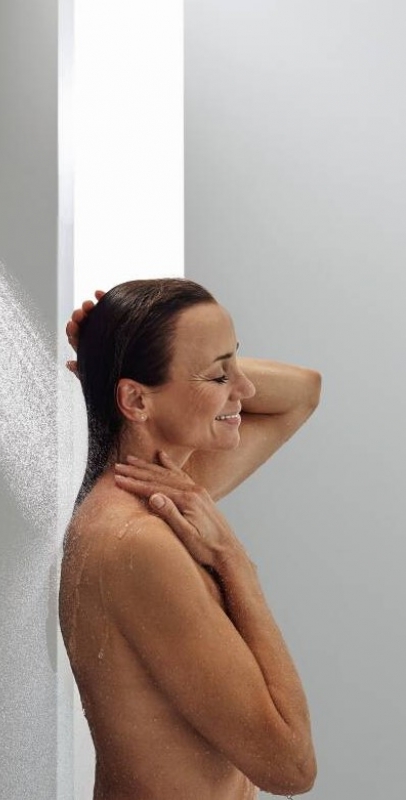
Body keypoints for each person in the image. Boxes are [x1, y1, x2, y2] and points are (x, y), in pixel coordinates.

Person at [59, 279, 320, 799]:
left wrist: (108, 355)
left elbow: (302, 392)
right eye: (220, 375)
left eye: (236, 363)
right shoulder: (138, 540)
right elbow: (291, 767)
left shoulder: (159, 492)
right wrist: (233, 560)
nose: (245, 389)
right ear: (136, 399)